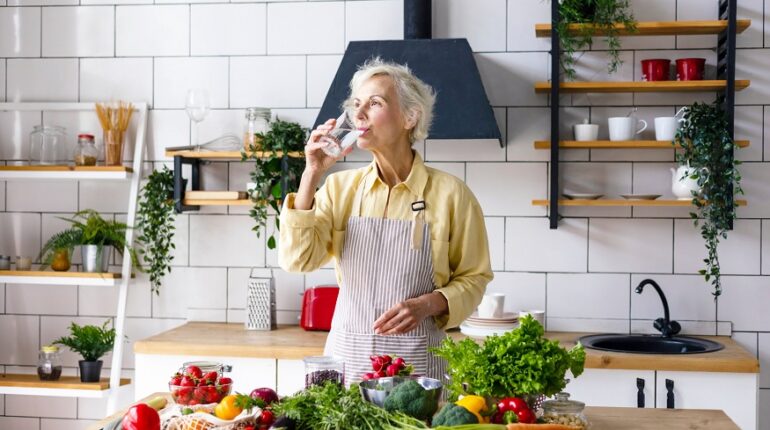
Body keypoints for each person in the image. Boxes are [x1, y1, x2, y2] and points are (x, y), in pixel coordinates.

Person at [279, 58, 493, 384]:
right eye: (356, 104)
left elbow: (475, 278)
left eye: (375, 102)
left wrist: (428, 304)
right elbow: (298, 260)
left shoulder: (452, 194)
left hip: (418, 365)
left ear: (410, 116)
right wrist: (312, 173)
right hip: (347, 357)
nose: (359, 114)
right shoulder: (339, 188)